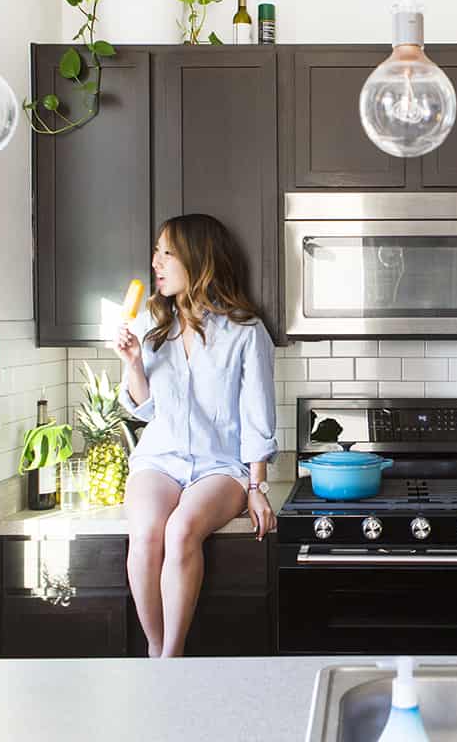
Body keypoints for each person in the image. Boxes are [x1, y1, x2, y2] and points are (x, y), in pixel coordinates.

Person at [114, 213, 278, 657]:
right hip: (160, 458)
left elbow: (258, 413)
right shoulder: (155, 332)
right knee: (147, 530)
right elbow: (145, 409)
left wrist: (257, 487)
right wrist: (132, 363)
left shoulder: (246, 331)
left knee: (182, 528)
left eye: (167, 253)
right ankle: (155, 650)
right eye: (156, 252)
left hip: (220, 466)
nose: (155, 263)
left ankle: (173, 657)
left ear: (198, 260)